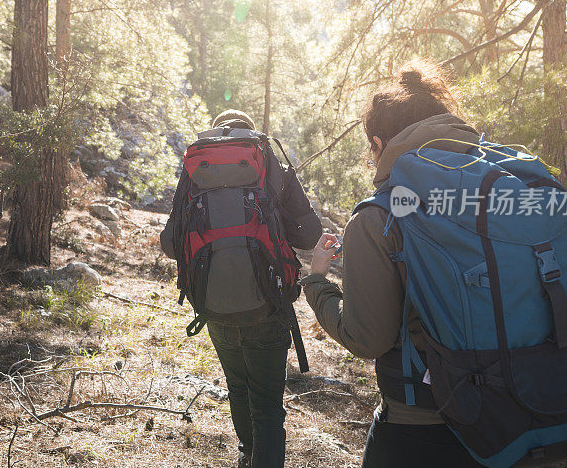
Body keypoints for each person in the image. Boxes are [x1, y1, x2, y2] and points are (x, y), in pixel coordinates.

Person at [300, 61, 484, 467]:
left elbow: (368, 339)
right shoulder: (492, 193)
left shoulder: (377, 217)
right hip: (516, 411)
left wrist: (317, 281)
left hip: (421, 423)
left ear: (380, 144)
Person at [161, 109, 322, 468]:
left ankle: (247, 455)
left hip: (214, 306)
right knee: (266, 408)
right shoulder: (271, 167)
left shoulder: (196, 171)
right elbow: (309, 235)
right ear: (253, 139)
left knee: (238, 388)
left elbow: (171, 244)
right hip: (269, 305)